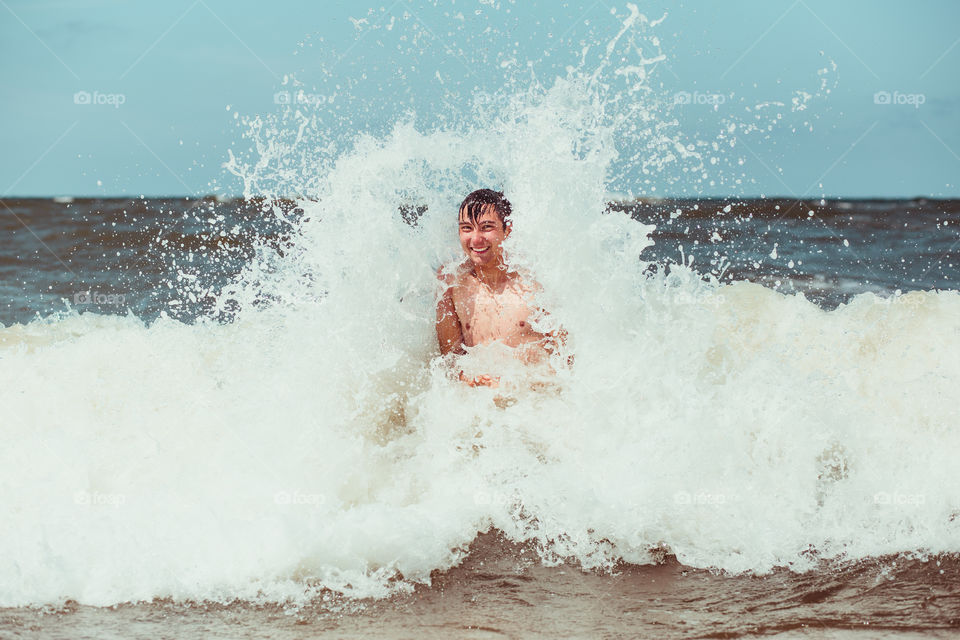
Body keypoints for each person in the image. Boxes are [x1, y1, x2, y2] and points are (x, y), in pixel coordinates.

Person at [436, 189, 565, 388]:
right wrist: (469, 379)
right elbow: (448, 363)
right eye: (467, 228)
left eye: (486, 227)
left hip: (531, 404)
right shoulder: (451, 284)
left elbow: (567, 364)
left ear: (507, 229)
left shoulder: (535, 284)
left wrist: (520, 384)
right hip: (480, 405)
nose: (476, 239)